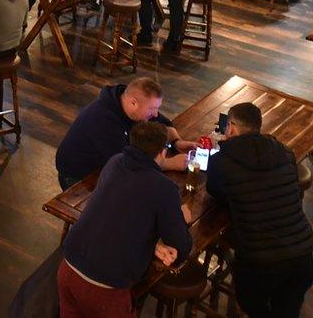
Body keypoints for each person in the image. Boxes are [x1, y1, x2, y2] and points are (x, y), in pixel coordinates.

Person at [58, 121, 192, 318]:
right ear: (162, 152)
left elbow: (119, 215)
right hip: (104, 286)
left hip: (67, 266)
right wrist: (181, 220)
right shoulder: (164, 189)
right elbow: (180, 247)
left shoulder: (115, 162)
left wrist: (151, 243)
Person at [207, 102, 313, 318]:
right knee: (288, 311)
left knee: (252, 304)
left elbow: (217, 194)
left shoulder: (221, 161)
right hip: (304, 252)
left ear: (232, 127)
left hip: (261, 260)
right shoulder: (284, 152)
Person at [54, 77, 195, 190]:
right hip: (79, 176)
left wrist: (177, 142)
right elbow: (127, 163)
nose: (156, 113)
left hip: (107, 164)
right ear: (133, 103)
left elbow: (163, 123)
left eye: (157, 108)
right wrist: (169, 163)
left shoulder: (129, 104)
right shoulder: (103, 120)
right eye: (152, 108)